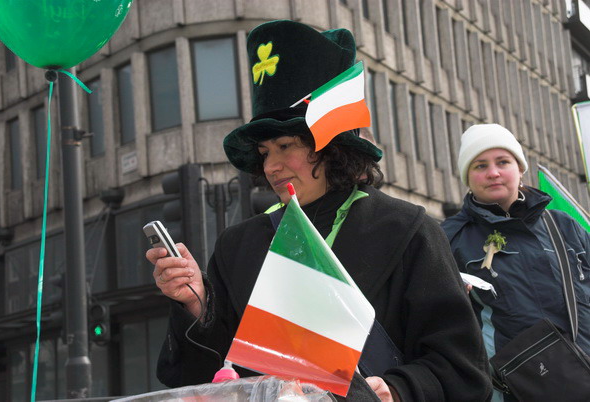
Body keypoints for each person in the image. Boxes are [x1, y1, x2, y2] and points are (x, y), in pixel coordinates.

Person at [147, 20, 491, 401]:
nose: (271, 167)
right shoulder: (239, 244)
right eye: (264, 153)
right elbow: (204, 376)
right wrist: (196, 305)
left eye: (285, 146)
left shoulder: (410, 230)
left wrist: (397, 388)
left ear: (332, 147)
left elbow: (463, 370)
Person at [441, 124, 590, 400]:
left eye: (503, 162)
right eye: (480, 165)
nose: (493, 173)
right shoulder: (448, 238)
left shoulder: (565, 226)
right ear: (467, 177)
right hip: (512, 391)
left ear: (520, 169)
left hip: (583, 378)